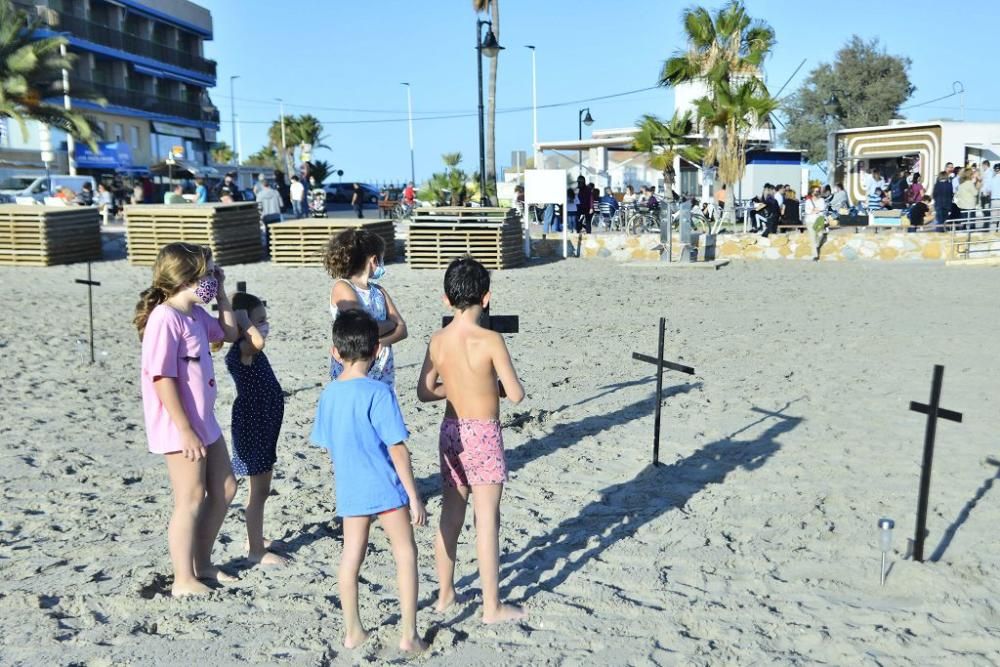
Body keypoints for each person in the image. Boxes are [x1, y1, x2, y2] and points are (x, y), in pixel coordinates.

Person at [416, 257, 526, 624]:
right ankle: (492, 606)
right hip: (484, 433)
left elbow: (425, 390)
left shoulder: (437, 340)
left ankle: (445, 594)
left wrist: (457, 385)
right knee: (486, 519)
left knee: (450, 515)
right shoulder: (491, 340)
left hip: (451, 430)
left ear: (446, 300)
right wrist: (487, 384)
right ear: (487, 297)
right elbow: (515, 394)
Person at [311, 309, 428, 653]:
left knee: (351, 557)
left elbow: (327, 446)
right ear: (377, 349)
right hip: (386, 487)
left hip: (351, 489)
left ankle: (353, 631)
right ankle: (409, 634)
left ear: (336, 352)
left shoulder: (329, 394)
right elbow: (398, 449)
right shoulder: (379, 393)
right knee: (405, 553)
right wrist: (414, 495)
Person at [133, 242, 239, 596]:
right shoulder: (165, 318)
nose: (210, 278)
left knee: (225, 488)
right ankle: (183, 578)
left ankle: (203, 563)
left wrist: (222, 293)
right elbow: (162, 378)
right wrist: (184, 430)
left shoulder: (195, 314)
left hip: (204, 420)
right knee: (190, 498)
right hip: (181, 426)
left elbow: (227, 334)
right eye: (206, 274)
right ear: (184, 278)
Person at [225, 291, 288, 567]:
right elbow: (258, 341)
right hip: (254, 424)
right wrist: (241, 319)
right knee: (258, 491)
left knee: (260, 491)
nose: (264, 324)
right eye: (259, 320)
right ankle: (255, 551)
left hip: (264, 423)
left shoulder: (248, 346)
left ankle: (255, 537)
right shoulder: (244, 348)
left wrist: (246, 321)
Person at [324, 229, 407, 386]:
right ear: (374, 259)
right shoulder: (343, 287)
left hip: (382, 368)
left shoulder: (379, 291)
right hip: (355, 365)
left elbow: (402, 329)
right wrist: (390, 324)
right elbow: (360, 329)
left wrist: (381, 342)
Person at [257, 180, 283, 246]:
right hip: (276, 215)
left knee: (268, 234)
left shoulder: (259, 195)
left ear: (262, 185)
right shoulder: (276, 192)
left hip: (266, 216)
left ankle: (269, 250)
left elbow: (259, 208)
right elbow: (281, 204)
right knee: (277, 234)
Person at [803, 186, 826, 260]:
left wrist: (814, 210)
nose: (817, 192)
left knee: (820, 234)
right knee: (812, 238)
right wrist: (814, 210)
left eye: (818, 191)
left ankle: (816, 245)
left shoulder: (822, 200)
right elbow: (807, 211)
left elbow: (822, 208)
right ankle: (815, 255)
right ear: (812, 192)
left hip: (819, 220)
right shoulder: (808, 201)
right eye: (815, 191)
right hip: (810, 220)